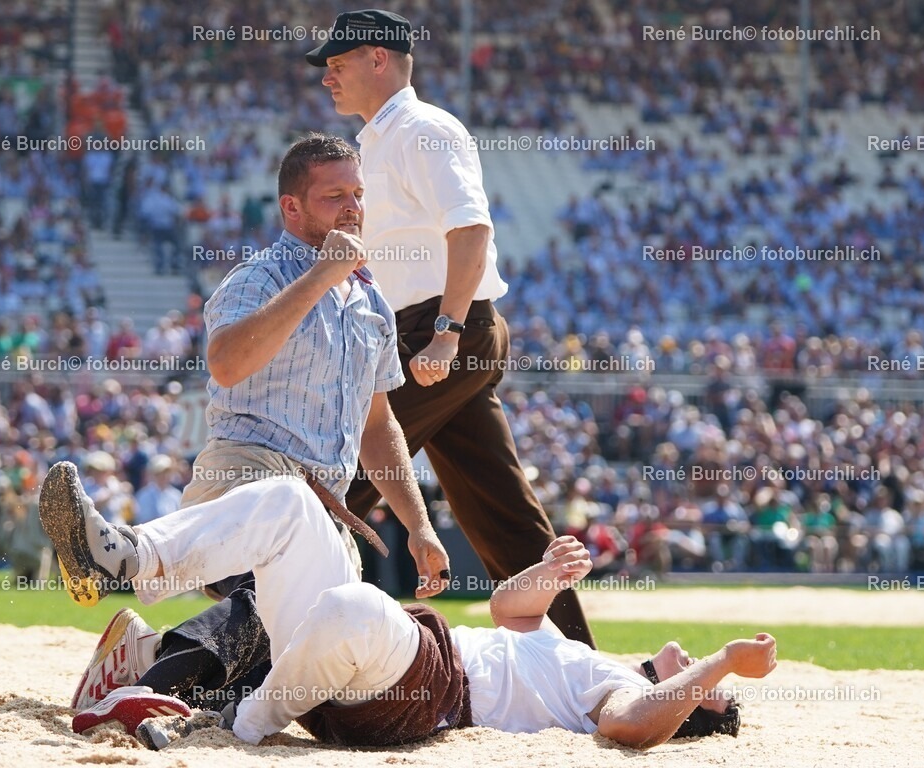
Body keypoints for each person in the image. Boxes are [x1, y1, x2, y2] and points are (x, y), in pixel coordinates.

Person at [66, 134, 450, 712]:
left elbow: (379, 426)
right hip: (246, 477)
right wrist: (322, 276)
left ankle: (145, 664)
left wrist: (418, 527)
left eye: (359, 195)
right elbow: (226, 363)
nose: (352, 208)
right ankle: (139, 631)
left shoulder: (371, 304)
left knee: (299, 638)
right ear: (291, 208)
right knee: (275, 585)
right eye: (333, 196)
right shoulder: (259, 277)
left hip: (324, 506)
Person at [39, 464, 777, 751]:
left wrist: (724, 665)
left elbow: (634, 728)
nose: (693, 656)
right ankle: (130, 559)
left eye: (703, 694)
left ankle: (240, 725)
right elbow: (509, 610)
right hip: (378, 661)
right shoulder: (585, 659)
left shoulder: (615, 691)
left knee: (354, 606)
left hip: (422, 691)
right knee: (292, 503)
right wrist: (547, 575)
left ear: (696, 707)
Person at [306, 8, 594, 646]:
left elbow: (471, 230)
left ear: (378, 58)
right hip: (425, 331)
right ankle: (580, 667)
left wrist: (445, 331)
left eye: (337, 63)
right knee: (502, 516)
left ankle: (236, 623)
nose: (327, 77)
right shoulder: (381, 139)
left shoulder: (422, 130)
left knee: (335, 477)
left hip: (436, 331)